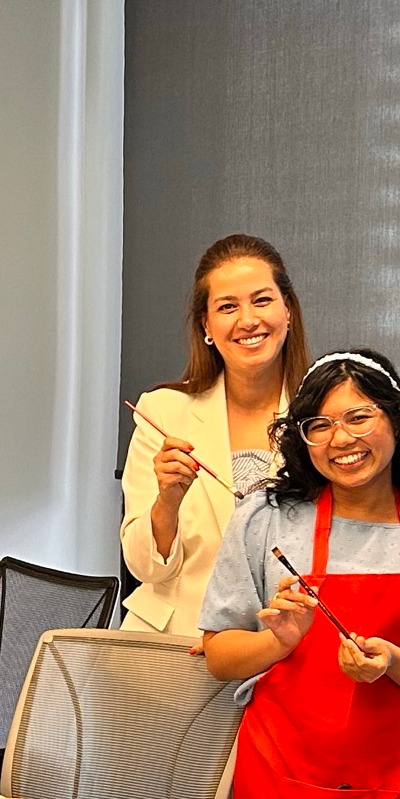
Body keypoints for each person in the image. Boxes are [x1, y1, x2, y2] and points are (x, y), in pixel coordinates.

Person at [199, 350, 400, 799]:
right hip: (282, 792)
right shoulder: (267, 520)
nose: (341, 439)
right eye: (319, 424)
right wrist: (276, 644)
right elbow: (219, 656)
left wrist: (392, 662)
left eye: (359, 416)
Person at [121, 235, 310, 635]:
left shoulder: (324, 418)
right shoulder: (163, 412)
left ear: (288, 309)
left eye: (262, 300)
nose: (247, 320)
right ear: (206, 325)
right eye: (227, 307)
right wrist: (167, 500)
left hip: (282, 648)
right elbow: (143, 566)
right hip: (175, 645)